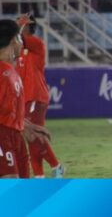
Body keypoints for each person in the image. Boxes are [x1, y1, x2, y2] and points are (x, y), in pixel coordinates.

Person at [15, 14, 65, 178]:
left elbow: (18, 37)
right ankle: (40, 175)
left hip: (36, 95)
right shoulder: (18, 50)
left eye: (21, 22)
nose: (18, 24)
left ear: (28, 26)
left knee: (32, 136)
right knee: (32, 138)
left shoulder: (36, 43)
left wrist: (17, 27)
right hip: (26, 97)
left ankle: (55, 166)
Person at [0, 19, 50, 178]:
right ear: (14, 40)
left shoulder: (11, 71)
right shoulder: (2, 74)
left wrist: (26, 126)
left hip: (16, 137)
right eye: (19, 38)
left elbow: (8, 112)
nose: (22, 42)